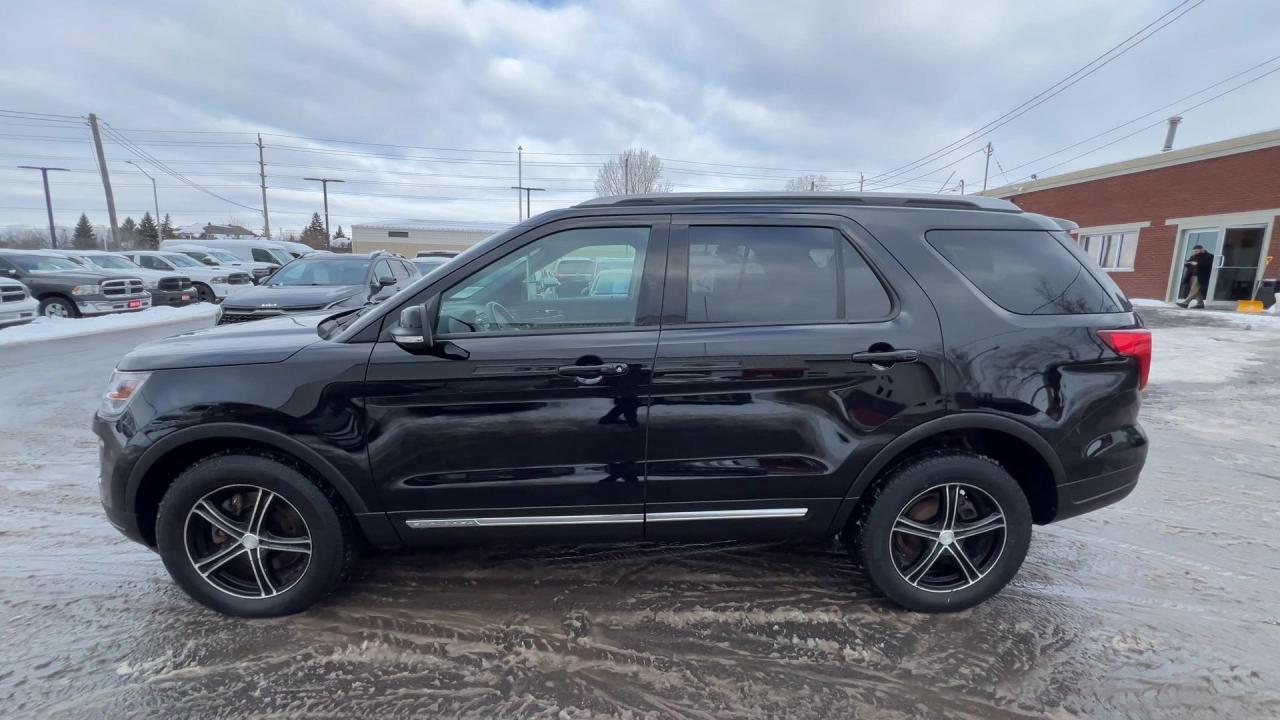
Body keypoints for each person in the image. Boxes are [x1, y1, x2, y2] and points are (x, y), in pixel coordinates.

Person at [1177, 244, 1214, 309]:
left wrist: (1198, 264)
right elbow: (1190, 265)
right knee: (1197, 290)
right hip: (1192, 275)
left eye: (1196, 251)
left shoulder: (1209, 256)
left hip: (1200, 275)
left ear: (1202, 249)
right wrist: (1187, 263)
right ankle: (1200, 303)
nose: (1195, 252)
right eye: (1194, 251)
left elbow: (1208, 266)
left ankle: (1185, 303)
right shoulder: (1194, 256)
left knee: (1194, 289)